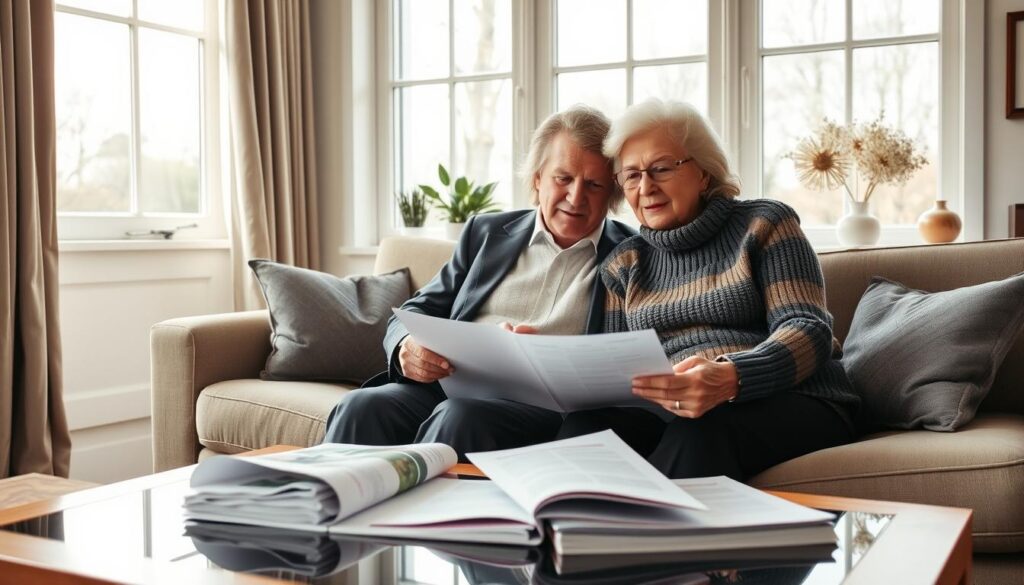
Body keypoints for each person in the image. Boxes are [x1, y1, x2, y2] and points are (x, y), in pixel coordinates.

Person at [557, 98, 860, 480]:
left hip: (792, 397)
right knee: (583, 433)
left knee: (698, 434)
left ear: (703, 173)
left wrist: (730, 376)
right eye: (631, 175)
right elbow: (616, 369)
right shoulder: (624, 263)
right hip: (674, 411)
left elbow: (808, 328)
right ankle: (577, 540)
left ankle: (651, 539)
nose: (645, 187)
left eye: (661, 169)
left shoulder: (765, 224)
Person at [321, 105, 635, 459]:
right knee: (362, 406)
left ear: (612, 193)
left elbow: (628, 362)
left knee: (460, 418)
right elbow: (416, 310)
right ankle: (324, 510)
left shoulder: (632, 255)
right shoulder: (485, 233)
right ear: (536, 178)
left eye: (594, 185)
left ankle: (425, 515)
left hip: (544, 412)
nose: (576, 197)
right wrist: (406, 345)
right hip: (449, 388)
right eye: (563, 178)